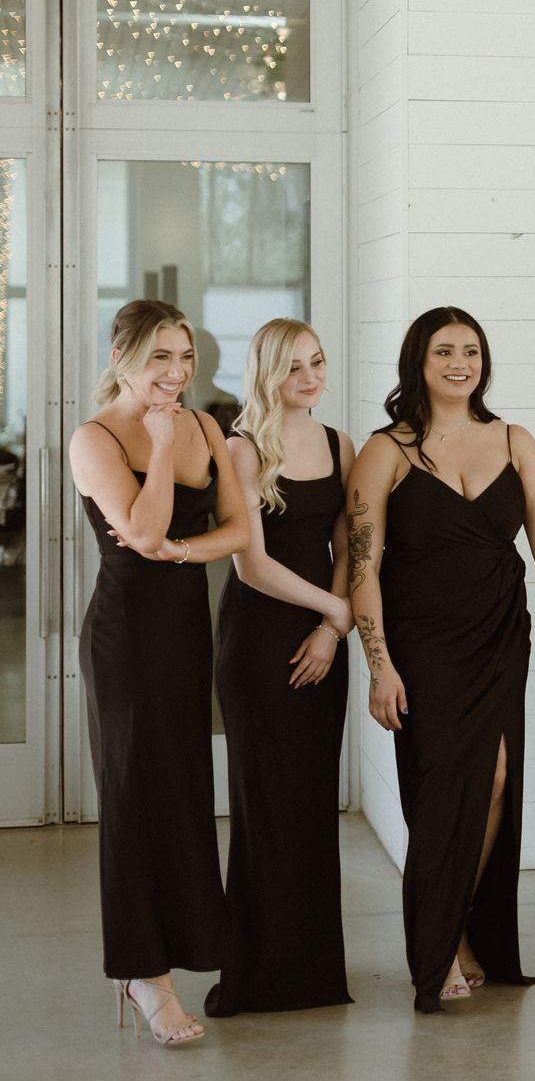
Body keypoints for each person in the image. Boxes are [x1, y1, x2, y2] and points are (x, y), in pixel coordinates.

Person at [348, 307, 535, 1011]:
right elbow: (363, 567)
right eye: (444, 351)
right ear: (417, 362)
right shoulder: (386, 451)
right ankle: (439, 939)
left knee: (493, 781)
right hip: (421, 644)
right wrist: (379, 664)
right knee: (440, 792)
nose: (460, 363)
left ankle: (454, 927)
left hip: (498, 635)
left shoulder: (516, 440)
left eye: (472, 351)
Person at [68, 300, 249, 1045]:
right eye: (159, 360)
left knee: (180, 795)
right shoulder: (96, 437)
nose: (175, 374)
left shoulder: (208, 426)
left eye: (185, 359)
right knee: (132, 798)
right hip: (123, 639)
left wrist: (182, 551)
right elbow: (140, 532)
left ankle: (165, 958)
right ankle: (144, 976)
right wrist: (165, 439)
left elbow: (238, 530)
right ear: (121, 359)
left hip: (183, 634)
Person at [205, 319, 356, 1016]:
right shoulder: (240, 448)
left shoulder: (340, 444)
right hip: (261, 640)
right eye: (294, 366)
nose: (310, 376)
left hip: (324, 634)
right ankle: (257, 973)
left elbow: (351, 543)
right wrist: (335, 610)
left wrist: (332, 627)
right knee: (265, 804)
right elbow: (253, 564)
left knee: (310, 804)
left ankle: (315, 975)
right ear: (267, 372)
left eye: (318, 362)